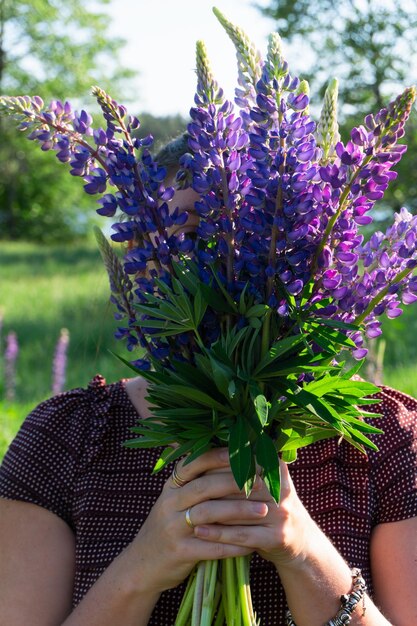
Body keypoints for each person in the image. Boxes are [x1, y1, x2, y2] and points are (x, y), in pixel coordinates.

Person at [0, 145, 417, 626]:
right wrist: (143, 567)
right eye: (195, 237)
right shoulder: (63, 437)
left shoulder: (386, 433)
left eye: (250, 234)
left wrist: (305, 554)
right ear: (142, 254)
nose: (224, 263)